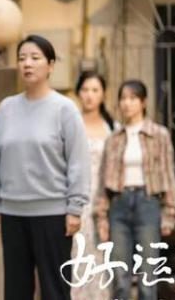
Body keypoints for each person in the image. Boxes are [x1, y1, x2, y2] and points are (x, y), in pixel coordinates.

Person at [0, 34, 90, 300]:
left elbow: (78, 161)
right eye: (22, 58)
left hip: (54, 215)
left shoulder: (64, 109)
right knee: (15, 291)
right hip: (12, 213)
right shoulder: (5, 109)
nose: (27, 64)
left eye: (35, 58)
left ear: (51, 65)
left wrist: (75, 208)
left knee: (55, 290)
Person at [95, 79, 175, 300]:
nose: (127, 103)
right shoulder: (114, 139)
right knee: (120, 278)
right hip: (119, 205)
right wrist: (101, 217)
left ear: (143, 102)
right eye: (123, 99)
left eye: (133, 98)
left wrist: (170, 213)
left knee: (147, 277)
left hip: (147, 204)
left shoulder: (159, 135)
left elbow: (168, 174)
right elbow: (103, 180)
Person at [72, 71, 116, 300]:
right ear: (78, 93)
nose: (89, 95)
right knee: (77, 256)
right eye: (85, 90)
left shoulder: (113, 127)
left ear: (103, 94)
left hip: (104, 201)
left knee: (102, 257)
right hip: (76, 199)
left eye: (95, 90)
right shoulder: (71, 124)